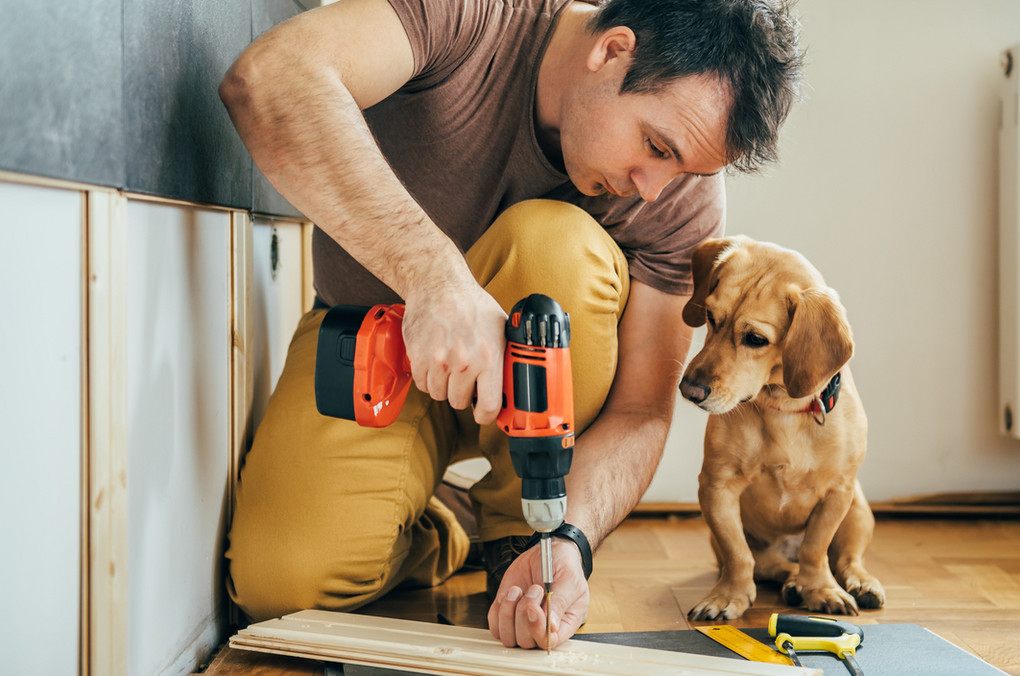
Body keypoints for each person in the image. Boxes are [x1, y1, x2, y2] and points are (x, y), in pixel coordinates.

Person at [218, 0, 803, 650]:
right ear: (611, 50)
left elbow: (641, 410)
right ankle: (449, 520)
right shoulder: (473, 12)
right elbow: (271, 80)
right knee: (283, 585)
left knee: (553, 244)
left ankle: (519, 531)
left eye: (684, 170)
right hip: (373, 337)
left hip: (534, 413)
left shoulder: (677, 198)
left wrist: (571, 536)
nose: (651, 190)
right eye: (656, 146)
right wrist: (434, 277)